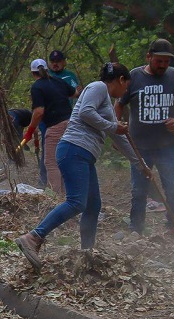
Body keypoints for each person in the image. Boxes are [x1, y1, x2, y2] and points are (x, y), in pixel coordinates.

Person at [15, 63, 145, 270]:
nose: (126, 91)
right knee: (77, 202)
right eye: (126, 85)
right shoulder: (98, 87)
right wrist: (113, 126)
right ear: (121, 80)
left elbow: (117, 137)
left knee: (93, 206)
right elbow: (85, 112)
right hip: (73, 149)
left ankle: (86, 254)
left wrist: (140, 164)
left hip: (82, 155)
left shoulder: (107, 106)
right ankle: (34, 237)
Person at [116, 39, 174, 236]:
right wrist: (117, 129)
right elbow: (119, 104)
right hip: (139, 146)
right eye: (159, 61)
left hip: (168, 145)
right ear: (149, 57)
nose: (163, 66)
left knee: (173, 190)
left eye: (167, 62)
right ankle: (136, 228)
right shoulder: (134, 76)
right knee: (139, 190)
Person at [25, 58, 75, 193]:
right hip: (71, 124)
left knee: (51, 163)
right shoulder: (58, 81)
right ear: (47, 69)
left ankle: (56, 198)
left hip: (55, 127)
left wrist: (29, 130)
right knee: (65, 160)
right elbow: (74, 93)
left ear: (33, 73)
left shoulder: (37, 87)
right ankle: (69, 195)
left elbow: (39, 112)